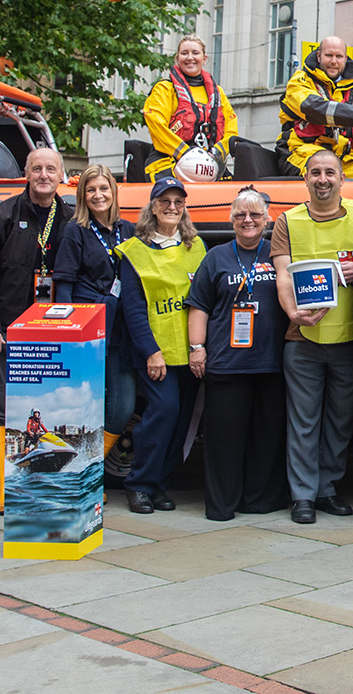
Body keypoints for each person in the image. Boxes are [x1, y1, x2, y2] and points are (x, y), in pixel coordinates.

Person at [272, 149, 353, 523]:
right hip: (303, 341)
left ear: (342, 178)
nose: (322, 179)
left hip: (350, 340)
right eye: (315, 172)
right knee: (303, 421)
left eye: (330, 172)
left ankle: (326, 488)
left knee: (340, 420)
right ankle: (302, 496)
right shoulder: (287, 221)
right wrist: (291, 313)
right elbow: (283, 274)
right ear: (306, 178)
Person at [0, 147, 71, 515]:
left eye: (50, 169)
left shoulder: (71, 218)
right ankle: (1, 489)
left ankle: (51, 481)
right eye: (37, 168)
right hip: (5, 330)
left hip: (53, 331)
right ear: (26, 174)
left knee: (48, 407)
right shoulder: (1, 216)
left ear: (62, 174)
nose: (44, 175)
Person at [185, 188, 291, 521]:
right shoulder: (215, 257)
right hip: (226, 366)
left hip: (271, 364)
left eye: (255, 215)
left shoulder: (278, 253)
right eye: (241, 215)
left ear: (266, 219)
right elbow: (199, 305)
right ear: (231, 220)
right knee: (223, 441)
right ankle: (221, 504)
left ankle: (259, 500)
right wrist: (197, 349)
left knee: (267, 437)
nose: (248, 220)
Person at [116, 177, 208, 512]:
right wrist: (150, 352)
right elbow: (134, 308)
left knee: (182, 422)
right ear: (152, 206)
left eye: (178, 202)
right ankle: (139, 484)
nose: (171, 207)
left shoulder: (196, 247)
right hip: (156, 353)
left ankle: (159, 484)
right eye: (164, 201)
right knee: (163, 413)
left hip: (189, 351)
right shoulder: (134, 251)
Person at [53, 163, 137, 460]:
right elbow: (63, 284)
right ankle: (81, 472)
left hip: (121, 329)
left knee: (122, 405)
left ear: (113, 192)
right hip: (88, 328)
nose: (98, 195)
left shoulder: (128, 230)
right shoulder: (75, 231)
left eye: (103, 188)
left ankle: (91, 460)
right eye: (91, 190)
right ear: (82, 195)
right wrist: (69, 336)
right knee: (84, 402)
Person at [277, 36, 353, 177]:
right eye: (329, 55)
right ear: (319, 56)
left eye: (338, 56)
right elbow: (316, 108)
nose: (334, 61)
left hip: (342, 159)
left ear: (345, 59)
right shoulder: (299, 82)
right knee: (327, 171)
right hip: (301, 153)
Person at [143, 35, 237, 181]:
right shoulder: (165, 89)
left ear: (204, 58)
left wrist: (218, 152)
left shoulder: (218, 93)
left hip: (209, 165)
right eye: (184, 53)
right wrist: (185, 153)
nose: (190, 58)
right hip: (169, 163)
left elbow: (231, 129)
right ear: (177, 58)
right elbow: (156, 125)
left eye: (195, 53)